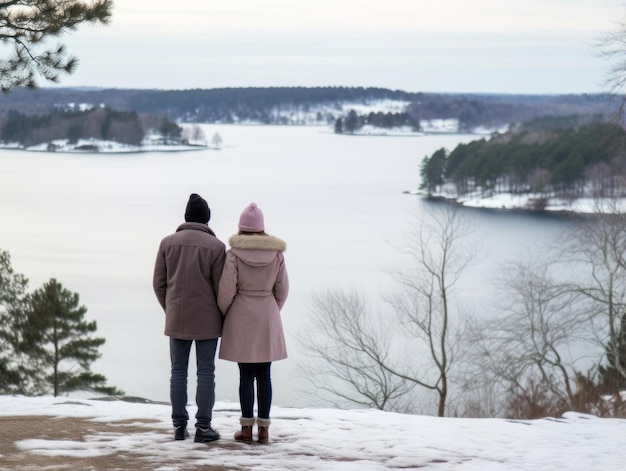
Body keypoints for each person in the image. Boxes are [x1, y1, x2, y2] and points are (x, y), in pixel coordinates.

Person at [153, 193, 225, 443]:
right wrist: (221, 315)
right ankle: (203, 428)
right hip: (207, 321)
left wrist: (170, 308)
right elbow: (221, 289)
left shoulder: (167, 243)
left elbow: (158, 284)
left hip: (176, 318)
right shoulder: (217, 247)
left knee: (177, 372)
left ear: (185, 217)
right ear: (207, 219)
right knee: (206, 373)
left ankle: (179, 427)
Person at [218, 202, 289, 444]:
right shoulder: (277, 254)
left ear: (241, 229)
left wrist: (228, 314)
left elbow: (226, 291)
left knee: (246, 375)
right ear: (261, 229)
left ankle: (246, 429)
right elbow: (283, 290)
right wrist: (271, 309)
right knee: (265, 374)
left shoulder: (233, 254)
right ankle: (265, 429)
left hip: (241, 315)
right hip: (267, 313)